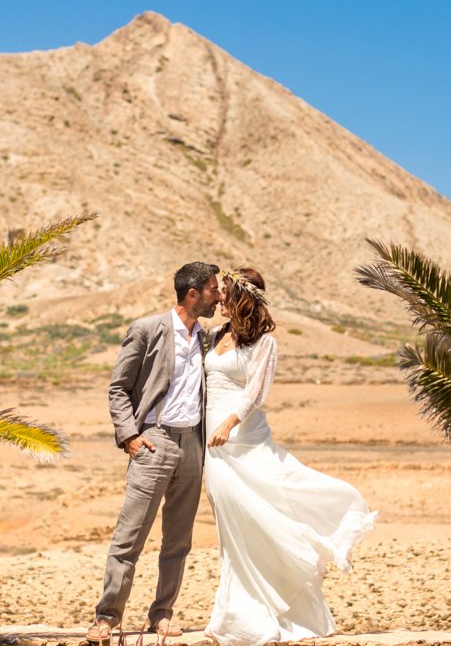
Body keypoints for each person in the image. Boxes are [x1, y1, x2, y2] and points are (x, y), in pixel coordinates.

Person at [204, 268, 377, 646]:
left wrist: (228, 424)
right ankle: (233, 613)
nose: (218, 297)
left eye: (224, 292)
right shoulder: (216, 335)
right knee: (232, 524)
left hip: (241, 438)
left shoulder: (265, 343)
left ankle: (276, 605)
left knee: (262, 511)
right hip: (211, 445)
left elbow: (255, 392)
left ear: (240, 297)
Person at [88, 261, 221, 643]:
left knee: (179, 540)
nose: (218, 296)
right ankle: (107, 617)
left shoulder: (207, 338)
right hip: (154, 441)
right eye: (213, 290)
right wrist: (130, 436)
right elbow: (118, 388)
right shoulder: (148, 329)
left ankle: (161, 615)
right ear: (192, 294)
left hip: (192, 445)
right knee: (129, 537)